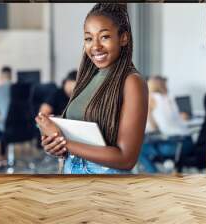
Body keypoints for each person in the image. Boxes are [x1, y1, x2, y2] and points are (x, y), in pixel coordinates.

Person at [35, 3, 148, 174]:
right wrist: (54, 144)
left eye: (104, 37)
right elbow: (77, 141)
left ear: (123, 38)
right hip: (71, 169)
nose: (95, 46)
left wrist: (62, 140)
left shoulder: (132, 81)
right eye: (89, 38)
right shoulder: (88, 77)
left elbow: (126, 159)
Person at [139, 76, 192, 173]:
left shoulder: (151, 98)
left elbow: (153, 126)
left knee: (139, 150)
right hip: (187, 144)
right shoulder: (169, 98)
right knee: (148, 145)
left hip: (175, 146)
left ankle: (156, 176)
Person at [0, 66, 13, 166]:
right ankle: (4, 158)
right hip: (18, 125)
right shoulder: (17, 88)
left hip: (3, 124)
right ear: (11, 75)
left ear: (1, 76)